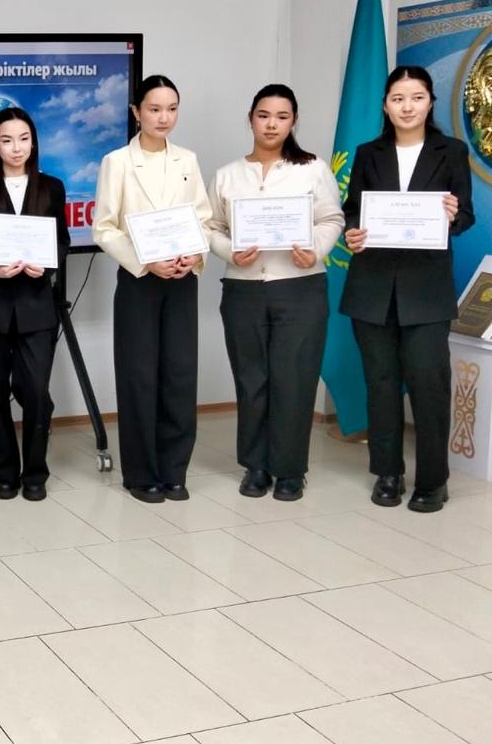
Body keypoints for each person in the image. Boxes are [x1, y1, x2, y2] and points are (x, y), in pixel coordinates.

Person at [342, 66, 476, 512]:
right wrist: (353, 232)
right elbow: (353, 209)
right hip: (373, 286)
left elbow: (466, 215)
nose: (407, 106)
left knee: (428, 384)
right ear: (386, 105)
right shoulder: (368, 153)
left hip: (426, 289)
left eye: (416, 97)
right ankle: (388, 473)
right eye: (398, 98)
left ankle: (433, 481)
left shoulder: (451, 151)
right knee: (380, 384)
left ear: (430, 102)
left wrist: (453, 214)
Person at [206, 84, 344, 501]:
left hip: (301, 287)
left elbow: (332, 219)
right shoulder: (227, 174)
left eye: (282, 117)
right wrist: (230, 251)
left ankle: (289, 470)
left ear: (294, 121)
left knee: (294, 379)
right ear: (250, 119)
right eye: (264, 115)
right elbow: (210, 227)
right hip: (243, 288)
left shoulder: (312, 169)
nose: (272, 124)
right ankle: (256, 466)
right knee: (252, 379)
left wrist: (314, 249)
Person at [94, 74, 211, 503]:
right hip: (140, 280)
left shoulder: (187, 160)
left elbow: (202, 217)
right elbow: (104, 228)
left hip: (181, 278)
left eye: (172, 109)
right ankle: (141, 474)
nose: (164, 117)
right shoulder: (117, 162)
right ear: (136, 112)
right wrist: (146, 261)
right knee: (139, 376)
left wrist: (192, 256)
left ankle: (174, 470)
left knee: (180, 374)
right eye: (155, 109)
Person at [0, 107, 69, 500]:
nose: (16, 147)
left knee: (35, 389)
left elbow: (62, 241)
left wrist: (46, 265)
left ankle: (35, 472)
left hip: (36, 302)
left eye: (23, 139)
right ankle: (4, 472)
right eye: (7, 140)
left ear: (33, 143)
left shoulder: (52, 187)